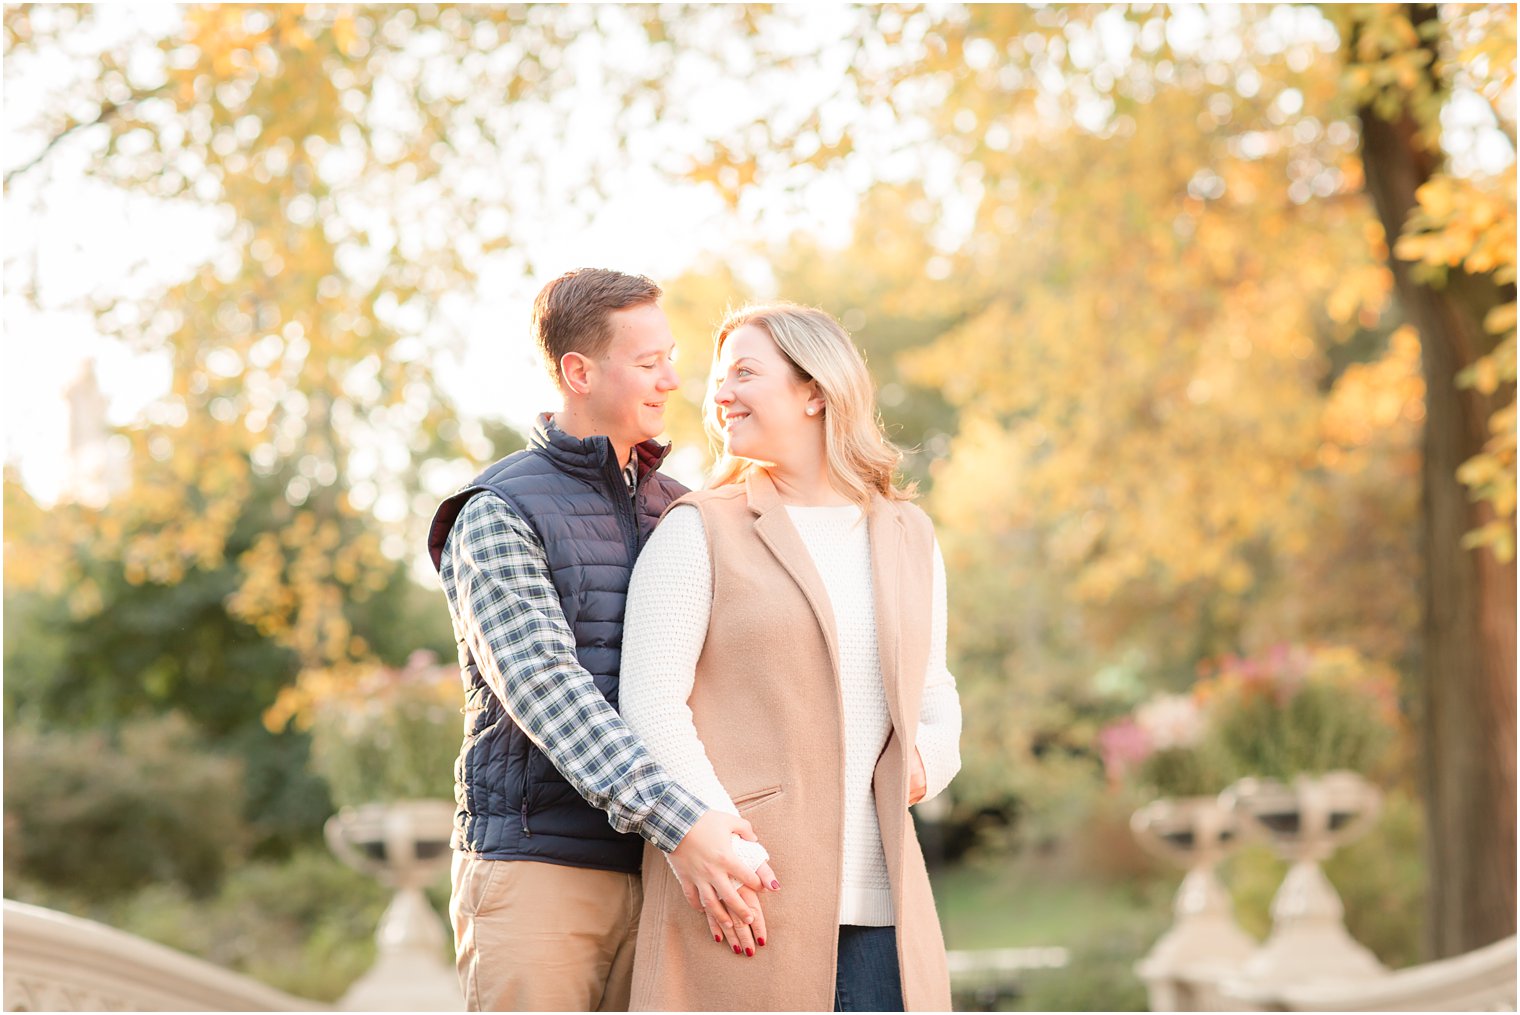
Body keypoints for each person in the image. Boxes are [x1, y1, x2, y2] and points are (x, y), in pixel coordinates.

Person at [426, 269, 776, 1012]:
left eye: (671, 357)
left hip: (665, 873)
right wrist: (685, 825)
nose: (673, 380)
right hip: (540, 871)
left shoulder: (684, 510)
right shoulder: (496, 511)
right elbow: (550, 693)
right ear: (578, 372)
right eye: (649, 363)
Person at [620, 303, 963, 1011]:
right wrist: (714, 840)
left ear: (816, 390)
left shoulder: (908, 534)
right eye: (719, 378)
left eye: (745, 371)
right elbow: (651, 704)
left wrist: (926, 763)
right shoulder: (698, 530)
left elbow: (934, 691)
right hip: (744, 905)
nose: (720, 392)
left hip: (885, 919)